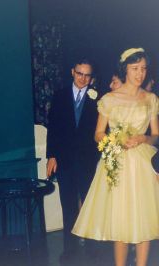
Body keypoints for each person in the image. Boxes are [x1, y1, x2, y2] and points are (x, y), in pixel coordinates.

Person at [72, 48, 159, 266]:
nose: (140, 74)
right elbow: (98, 134)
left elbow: (156, 135)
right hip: (117, 163)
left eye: (143, 69)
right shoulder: (110, 99)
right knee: (120, 220)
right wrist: (117, 140)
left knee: (145, 220)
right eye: (135, 69)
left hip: (142, 163)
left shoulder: (150, 98)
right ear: (125, 70)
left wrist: (142, 138)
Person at [46, 58, 100, 261]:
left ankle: (94, 249)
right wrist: (51, 155)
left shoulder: (98, 98)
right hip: (65, 160)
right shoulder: (60, 96)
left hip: (88, 161)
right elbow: (53, 128)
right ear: (72, 71)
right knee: (68, 205)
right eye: (79, 73)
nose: (83, 78)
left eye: (87, 75)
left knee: (90, 204)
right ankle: (70, 250)